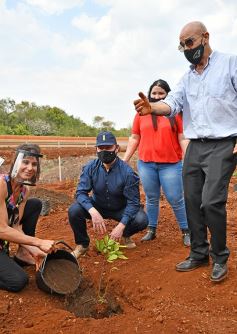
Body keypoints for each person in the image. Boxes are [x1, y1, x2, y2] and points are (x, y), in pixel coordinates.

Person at [134, 21, 237, 282]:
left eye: (189, 43)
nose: (186, 49)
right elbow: (173, 102)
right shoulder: (187, 77)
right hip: (195, 145)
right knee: (191, 201)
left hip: (223, 143)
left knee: (211, 201)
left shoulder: (230, 64)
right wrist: (153, 108)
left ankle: (219, 256)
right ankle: (199, 253)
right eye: (182, 46)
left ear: (205, 37)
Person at [123, 79, 190, 246]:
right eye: (154, 93)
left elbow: (182, 137)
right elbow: (134, 137)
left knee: (176, 198)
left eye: (161, 93)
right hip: (146, 165)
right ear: (149, 94)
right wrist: (124, 160)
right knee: (151, 198)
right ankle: (151, 230)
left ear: (167, 94)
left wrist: (189, 158)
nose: (157, 96)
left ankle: (186, 231)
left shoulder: (175, 114)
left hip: (171, 164)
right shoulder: (140, 114)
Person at [68, 131, 148, 258]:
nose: (104, 151)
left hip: (120, 208)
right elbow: (81, 193)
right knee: (74, 210)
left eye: (108, 147)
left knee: (141, 220)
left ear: (116, 148)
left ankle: (125, 234)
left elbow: (133, 203)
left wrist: (121, 226)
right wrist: (93, 211)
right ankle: (82, 245)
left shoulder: (127, 173)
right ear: (96, 149)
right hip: (98, 206)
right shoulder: (90, 167)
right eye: (101, 148)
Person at [0, 144, 55, 292]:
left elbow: (16, 226)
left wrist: (33, 250)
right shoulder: (2, 185)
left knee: (35, 204)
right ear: (16, 163)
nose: (30, 168)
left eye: (34, 164)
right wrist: (38, 242)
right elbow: (2, 230)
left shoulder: (25, 190)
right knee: (18, 281)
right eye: (25, 162)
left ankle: (22, 255)